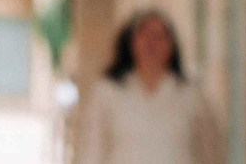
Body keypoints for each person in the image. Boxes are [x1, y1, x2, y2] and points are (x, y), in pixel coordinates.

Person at [69, 9, 223, 164]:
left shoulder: (192, 94)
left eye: (160, 35)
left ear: (172, 45)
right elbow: (92, 149)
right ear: (131, 42)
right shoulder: (108, 91)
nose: (152, 42)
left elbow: (210, 150)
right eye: (145, 34)